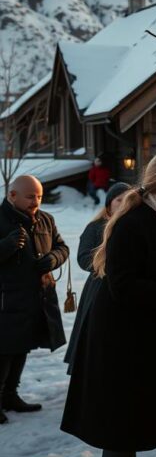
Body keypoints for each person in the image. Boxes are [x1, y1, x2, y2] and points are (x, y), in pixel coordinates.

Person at [62, 149, 156, 457]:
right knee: (121, 435)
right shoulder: (135, 220)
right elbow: (124, 285)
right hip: (123, 347)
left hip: (153, 341)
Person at [0, 175, 68, 424]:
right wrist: (6, 246)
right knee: (4, 350)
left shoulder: (45, 220)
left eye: (39, 196)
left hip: (37, 298)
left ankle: (10, 395)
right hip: (6, 299)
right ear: (12, 195)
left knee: (22, 346)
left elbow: (62, 247)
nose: (35, 201)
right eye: (30, 196)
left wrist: (54, 259)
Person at [64, 182, 131, 375]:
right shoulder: (94, 227)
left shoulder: (133, 225)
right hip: (99, 286)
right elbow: (83, 257)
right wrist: (108, 265)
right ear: (109, 203)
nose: (123, 204)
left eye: (128, 200)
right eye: (119, 200)